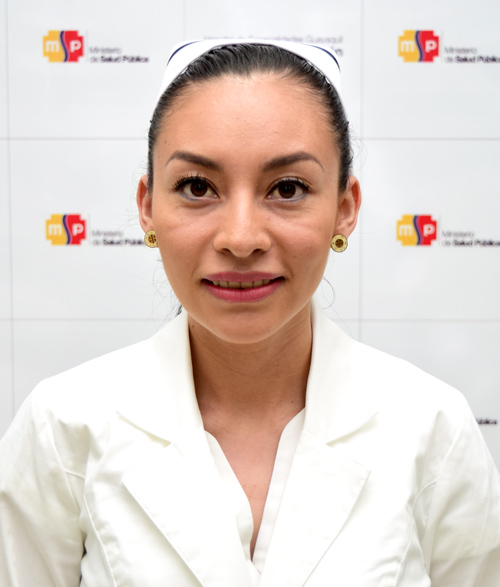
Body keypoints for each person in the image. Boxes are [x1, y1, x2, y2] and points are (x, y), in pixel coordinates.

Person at [0, 39, 499, 587]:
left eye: (287, 188)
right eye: (197, 187)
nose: (240, 238)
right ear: (147, 206)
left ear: (345, 208)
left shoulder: (432, 429)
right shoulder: (62, 427)